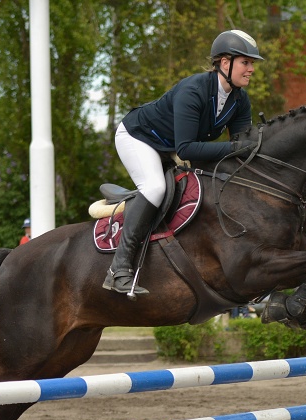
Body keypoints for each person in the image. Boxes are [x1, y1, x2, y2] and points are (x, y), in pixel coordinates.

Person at [102, 30, 263, 297]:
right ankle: (118, 269)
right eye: (246, 62)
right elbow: (186, 148)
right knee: (155, 187)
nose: (251, 69)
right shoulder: (193, 90)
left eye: (252, 63)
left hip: (168, 146)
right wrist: (237, 148)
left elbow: (240, 147)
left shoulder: (239, 100)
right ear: (225, 63)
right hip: (138, 137)